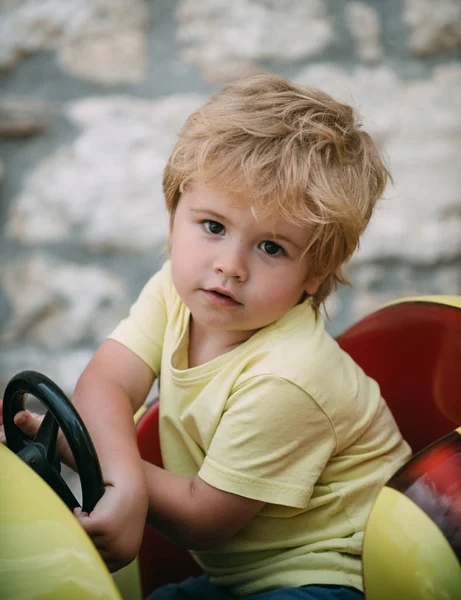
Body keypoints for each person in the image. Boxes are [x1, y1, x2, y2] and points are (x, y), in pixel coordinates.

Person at [1, 74, 411, 599]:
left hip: (329, 578)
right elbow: (108, 379)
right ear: (174, 217)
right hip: (240, 578)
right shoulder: (175, 293)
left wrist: (97, 465)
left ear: (316, 272)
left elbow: (204, 518)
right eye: (213, 227)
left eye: (271, 248)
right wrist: (115, 479)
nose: (230, 267)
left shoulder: (290, 377)